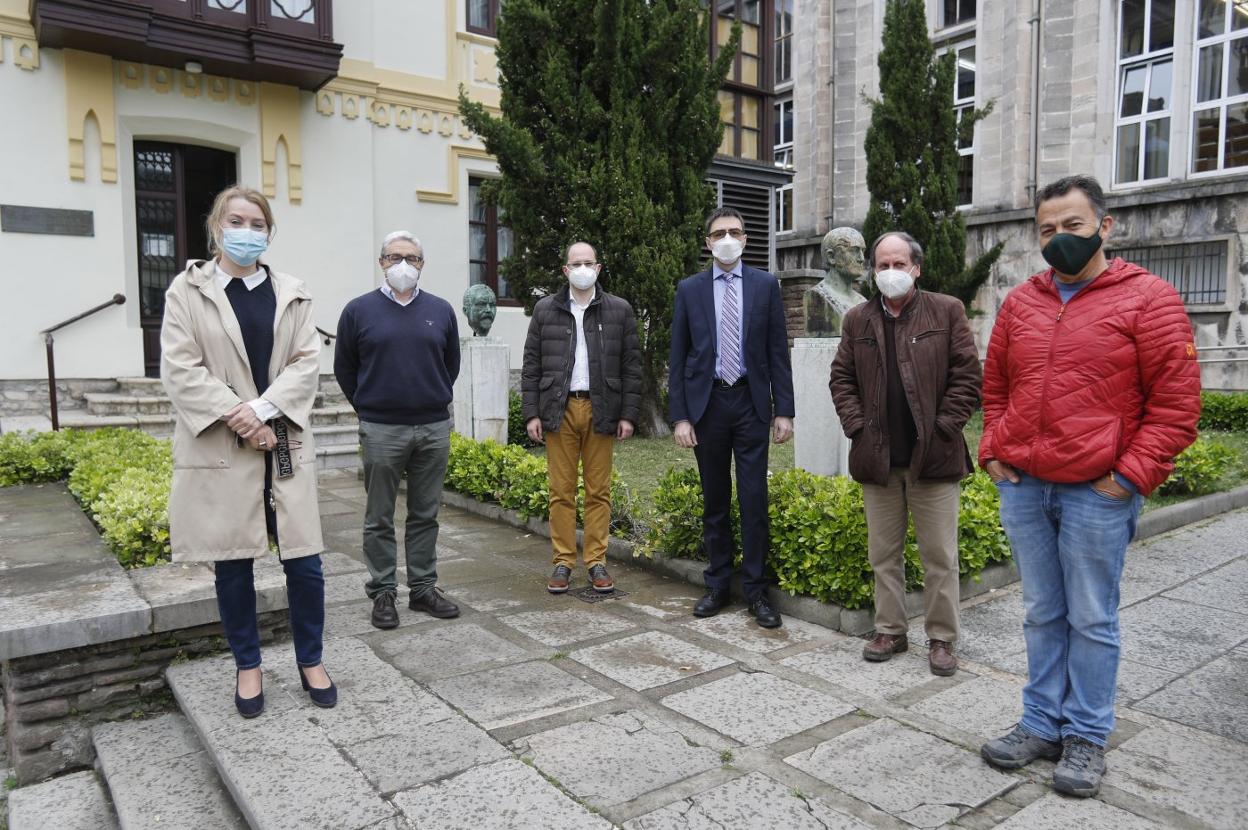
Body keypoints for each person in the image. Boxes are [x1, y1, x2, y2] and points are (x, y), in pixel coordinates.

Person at [978, 175, 1200, 797]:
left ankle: (1085, 735)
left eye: (1071, 226)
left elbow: (1177, 406)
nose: (1058, 239)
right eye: (1047, 229)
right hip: (1024, 486)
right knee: (1042, 612)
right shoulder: (1022, 303)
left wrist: (1130, 475)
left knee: (1093, 617)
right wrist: (994, 449)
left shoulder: (1149, 299)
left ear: (1104, 226)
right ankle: (1040, 722)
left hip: (1095, 491)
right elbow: (996, 387)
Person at [161, 184, 335, 718]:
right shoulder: (186, 292)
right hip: (220, 441)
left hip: (280, 435)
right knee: (233, 563)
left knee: (304, 561)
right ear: (217, 227)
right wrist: (238, 413)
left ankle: (311, 659)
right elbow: (180, 368)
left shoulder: (291, 292)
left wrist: (262, 413)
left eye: (257, 224)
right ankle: (248, 665)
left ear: (268, 231)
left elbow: (306, 363)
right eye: (237, 221)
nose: (247, 232)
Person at [829, 231, 981, 676]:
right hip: (878, 457)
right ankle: (890, 630)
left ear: (916, 267)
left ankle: (941, 638)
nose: (890, 272)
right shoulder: (858, 319)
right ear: (873, 270)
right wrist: (857, 427)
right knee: (883, 554)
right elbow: (842, 379)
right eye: (882, 265)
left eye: (898, 264)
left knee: (939, 556)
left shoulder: (946, 310)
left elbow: (967, 377)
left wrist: (944, 428)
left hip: (932, 459)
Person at [668, 207, 795, 628]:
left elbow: (778, 351)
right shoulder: (689, 289)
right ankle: (718, 584)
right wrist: (681, 417)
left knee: (754, 499)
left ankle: (757, 591)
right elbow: (679, 355)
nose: (726, 238)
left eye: (734, 232)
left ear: (745, 239)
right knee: (715, 500)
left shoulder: (765, 286)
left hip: (751, 403)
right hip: (708, 406)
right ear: (707, 242)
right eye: (718, 233)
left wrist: (785, 411)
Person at [334, 231, 462, 629]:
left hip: (432, 427)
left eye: (412, 258)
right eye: (394, 256)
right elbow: (345, 368)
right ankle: (384, 591)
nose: (403, 264)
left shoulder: (440, 310)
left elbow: (450, 365)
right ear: (381, 261)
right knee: (379, 516)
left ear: (422, 264)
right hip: (382, 429)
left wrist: (429, 398)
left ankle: (423, 588)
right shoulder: (358, 311)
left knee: (426, 513)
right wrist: (370, 407)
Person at [522, 242, 642, 593]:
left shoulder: (619, 310)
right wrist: (532, 413)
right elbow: (531, 366)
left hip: (601, 408)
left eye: (589, 263)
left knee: (598, 491)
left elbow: (631, 366)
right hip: (559, 409)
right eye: (576, 263)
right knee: (560, 491)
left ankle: (596, 561)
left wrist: (629, 415)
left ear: (599, 268)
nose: (583, 268)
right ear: (565, 270)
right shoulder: (545, 310)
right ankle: (562, 563)